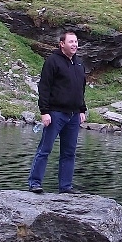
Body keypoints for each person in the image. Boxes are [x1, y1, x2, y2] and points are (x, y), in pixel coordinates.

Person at [26, 31, 87, 194]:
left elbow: (80, 89)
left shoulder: (79, 63)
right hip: (55, 113)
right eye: (71, 42)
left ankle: (65, 186)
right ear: (62, 44)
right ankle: (34, 183)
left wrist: (82, 109)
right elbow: (44, 87)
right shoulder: (52, 61)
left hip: (74, 115)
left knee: (69, 152)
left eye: (76, 42)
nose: (74, 45)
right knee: (45, 149)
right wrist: (44, 111)